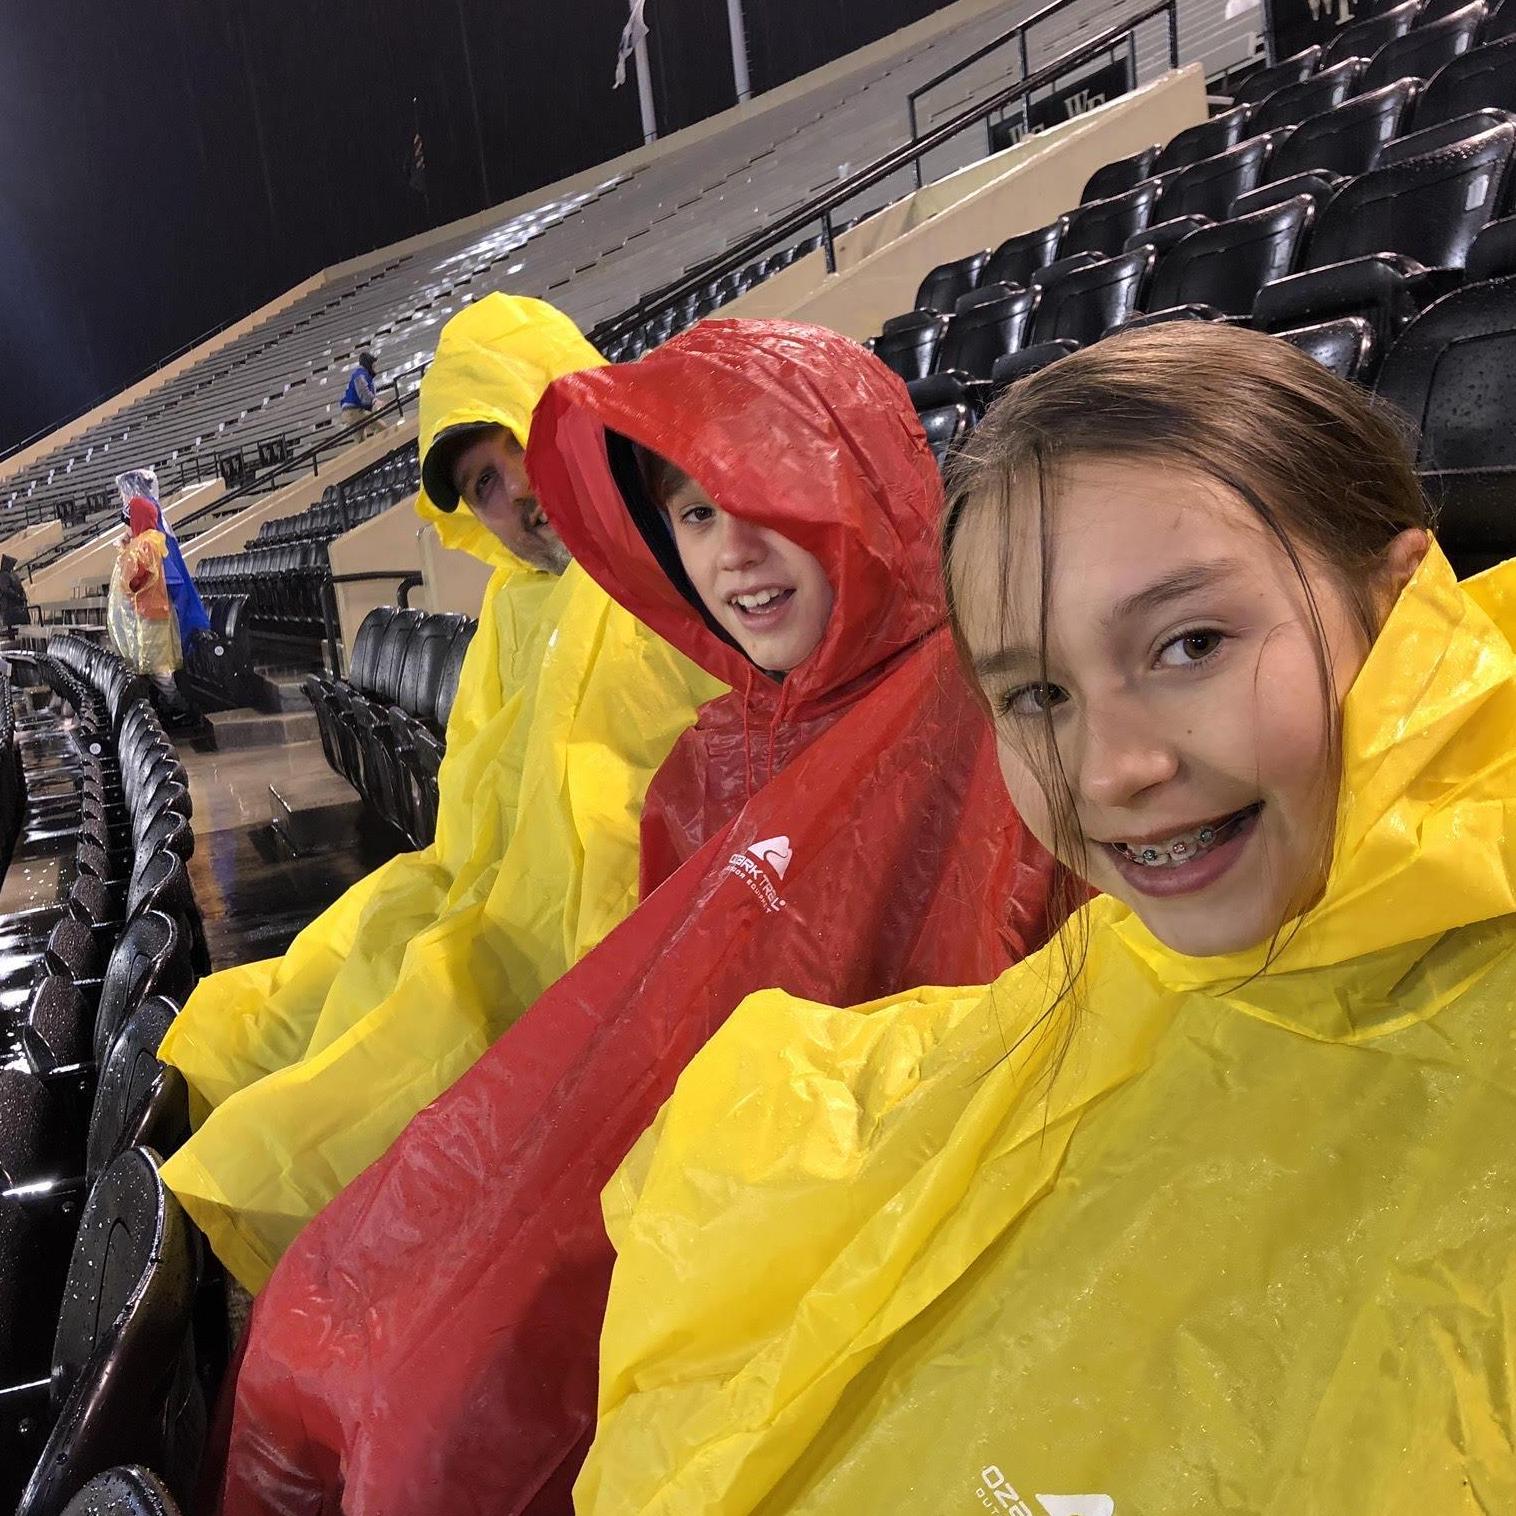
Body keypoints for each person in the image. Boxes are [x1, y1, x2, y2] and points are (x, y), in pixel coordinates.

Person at [564, 321, 1516, 1514]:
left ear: (1396, 598)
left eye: (1190, 644)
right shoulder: (1147, 954)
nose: (1112, 768)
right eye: (1039, 694)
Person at [215, 319, 1057, 1516]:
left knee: (436, 1417)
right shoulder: (728, 741)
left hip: (812, 1208)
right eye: (695, 513)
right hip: (686, 1166)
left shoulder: (993, 715)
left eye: (766, 492)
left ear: (854, 479)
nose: (735, 551)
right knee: (346, 1302)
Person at [156, 294, 721, 1291]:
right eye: (486, 486)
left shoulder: (685, 559)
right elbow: (479, 820)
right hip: (489, 913)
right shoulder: (520, 603)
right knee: (256, 1027)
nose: (517, 500)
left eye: (519, 451)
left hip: (603, 966)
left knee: (319, 1120)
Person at [108, 496, 194, 721]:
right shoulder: (144, 542)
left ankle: (180, 708)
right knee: (148, 665)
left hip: (152, 613)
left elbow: (137, 579)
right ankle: (167, 707)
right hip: (146, 613)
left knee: (157, 666)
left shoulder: (147, 543)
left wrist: (126, 553)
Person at [114, 468, 211, 636]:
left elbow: (137, 534)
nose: (122, 497)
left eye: (123, 492)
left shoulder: (141, 507)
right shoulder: (149, 505)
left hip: (160, 564)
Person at [339, 349, 381, 438]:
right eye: (373, 366)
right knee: (382, 428)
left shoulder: (362, 375)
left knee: (362, 442)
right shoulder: (360, 374)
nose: (375, 369)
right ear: (369, 364)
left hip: (350, 412)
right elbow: (363, 392)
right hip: (354, 411)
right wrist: (374, 400)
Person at [0, 556, 29, 633]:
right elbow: (6, 589)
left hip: (18, 605)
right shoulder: (3, 575)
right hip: (9, 605)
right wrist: (17, 596)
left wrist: (22, 595)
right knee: (11, 628)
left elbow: (20, 587)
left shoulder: (14, 575)